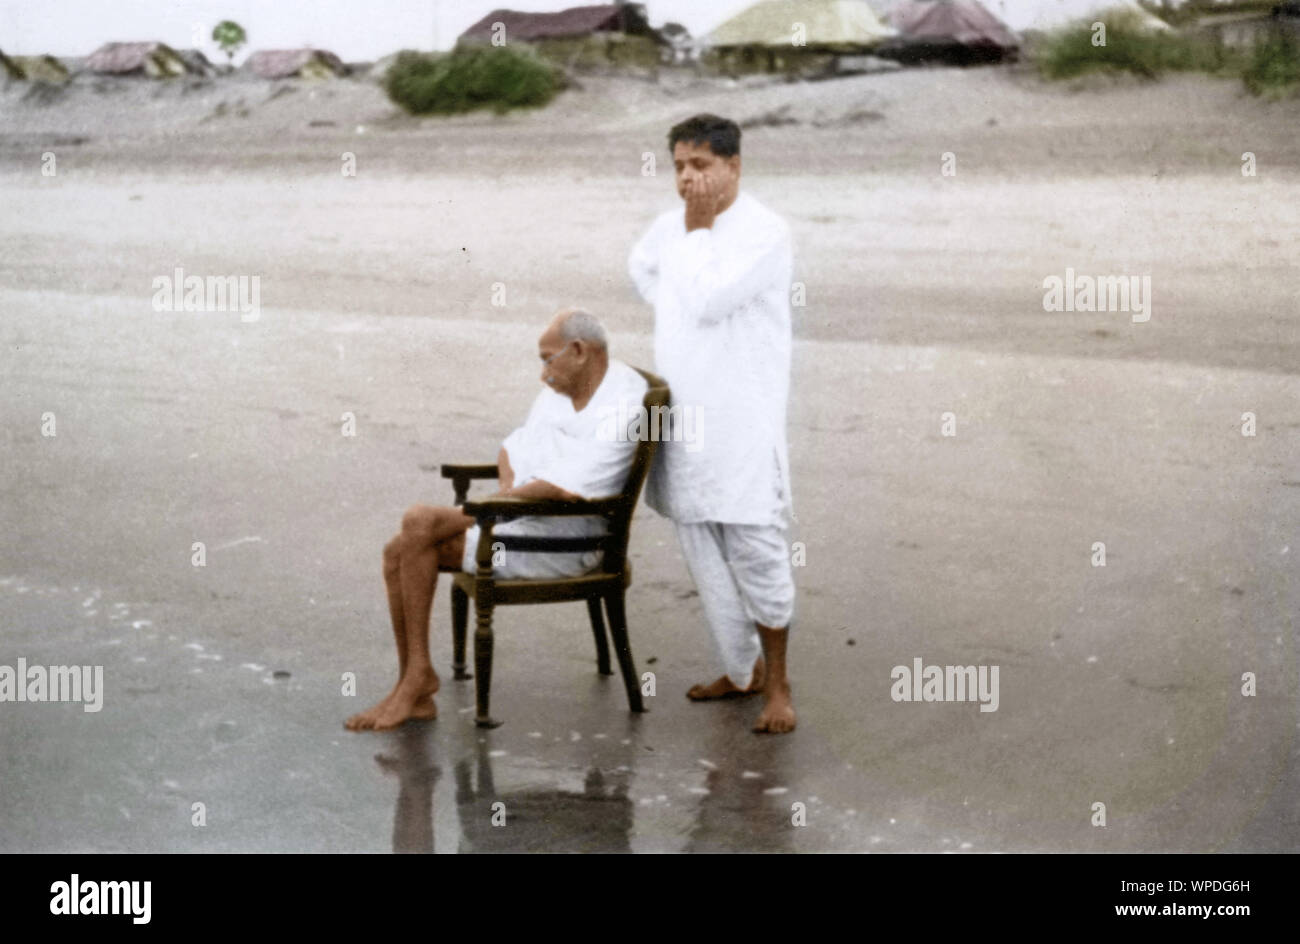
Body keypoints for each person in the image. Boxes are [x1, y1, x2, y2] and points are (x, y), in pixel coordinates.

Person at [345, 308, 647, 731]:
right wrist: (504, 496)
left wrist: (491, 508)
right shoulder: (564, 388)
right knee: (400, 547)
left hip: (566, 545)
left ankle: (416, 682)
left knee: (417, 525)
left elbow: (561, 488)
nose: (544, 374)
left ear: (579, 351)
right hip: (523, 524)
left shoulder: (624, 406)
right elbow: (515, 448)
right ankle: (413, 681)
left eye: (548, 359)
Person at [628, 113, 797, 734]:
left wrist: (696, 237)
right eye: (678, 166)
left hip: (742, 418)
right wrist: (677, 283)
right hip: (686, 415)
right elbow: (642, 268)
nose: (687, 178)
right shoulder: (669, 227)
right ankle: (739, 669)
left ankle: (778, 685)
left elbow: (712, 299)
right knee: (700, 542)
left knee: (755, 545)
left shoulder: (765, 231)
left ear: (733, 167)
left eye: (700, 165)